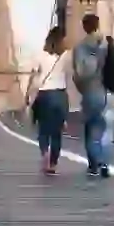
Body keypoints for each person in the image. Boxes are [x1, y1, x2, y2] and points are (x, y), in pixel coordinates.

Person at [71, 13, 113, 178]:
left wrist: (81, 87)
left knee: (91, 128)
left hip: (91, 91)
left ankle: (95, 164)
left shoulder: (80, 47)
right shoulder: (108, 43)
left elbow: (80, 73)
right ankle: (104, 162)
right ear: (98, 24)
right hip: (109, 92)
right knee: (106, 129)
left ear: (84, 27)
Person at [26, 25, 72, 175]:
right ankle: (53, 163)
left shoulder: (40, 55)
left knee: (44, 130)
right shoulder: (66, 55)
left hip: (44, 95)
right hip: (60, 95)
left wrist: (28, 93)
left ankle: (45, 153)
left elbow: (33, 76)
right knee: (57, 132)